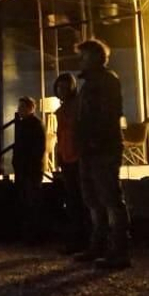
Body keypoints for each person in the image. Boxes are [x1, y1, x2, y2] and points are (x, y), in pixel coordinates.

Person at [73, 38, 132, 269]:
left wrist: (95, 140)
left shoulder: (106, 81)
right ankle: (98, 246)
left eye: (84, 56)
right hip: (89, 149)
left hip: (103, 148)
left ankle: (119, 251)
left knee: (109, 198)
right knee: (93, 200)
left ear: (96, 57)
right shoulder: (89, 84)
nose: (81, 60)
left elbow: (109, 113)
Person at [50, 72, 90, 255]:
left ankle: (85, 241)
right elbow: (61, 136)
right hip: (67, 159)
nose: (62, 90)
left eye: (65, 87)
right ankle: (76, 241)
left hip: (79, 158)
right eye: (59, 87)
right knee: (73, 201)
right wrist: (59, 156)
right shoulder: (62, 110)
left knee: (83, 201)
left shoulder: (78, 106)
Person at [11, 96, 46, 240]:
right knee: (25, 201)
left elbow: (38, 148)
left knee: (32, 201)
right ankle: (28, 234)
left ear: (30, 108)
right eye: (19, 108)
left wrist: (30, 164)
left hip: (31, 169)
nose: (19, 110)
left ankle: (34, 235)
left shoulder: (35, 124)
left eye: (22, 108)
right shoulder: (23, 124)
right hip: (23, 169)